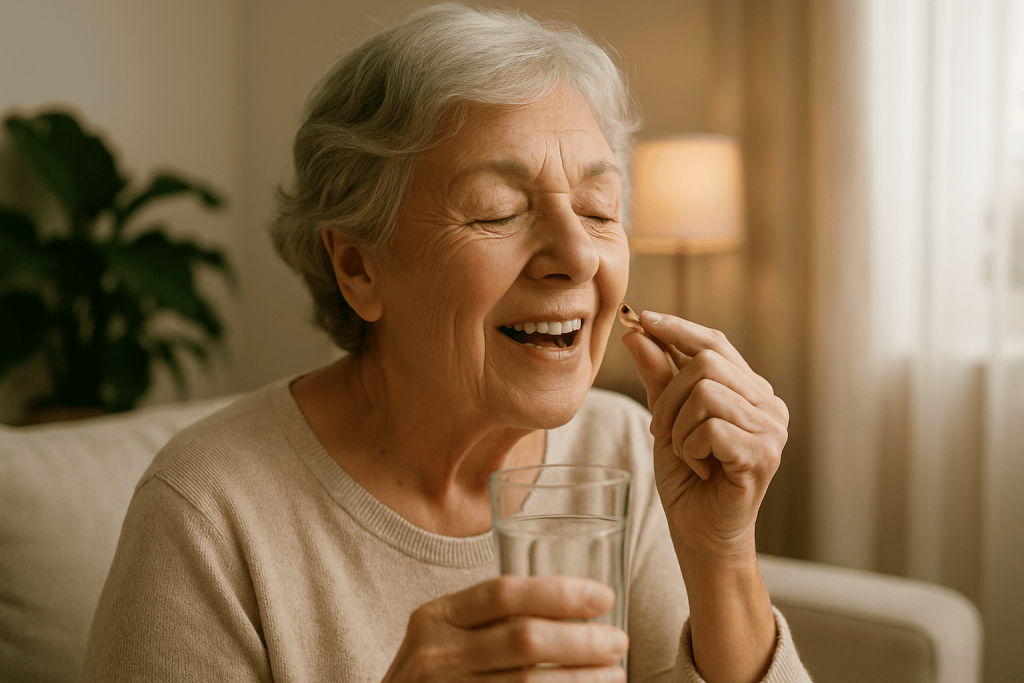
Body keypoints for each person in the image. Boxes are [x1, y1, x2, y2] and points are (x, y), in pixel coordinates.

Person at [81, 4, 809, 682]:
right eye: (497, 212)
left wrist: (722, 552)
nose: (577, 256)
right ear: (358, 267)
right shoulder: (209, 510)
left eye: (598, 208)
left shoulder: (630, 449)